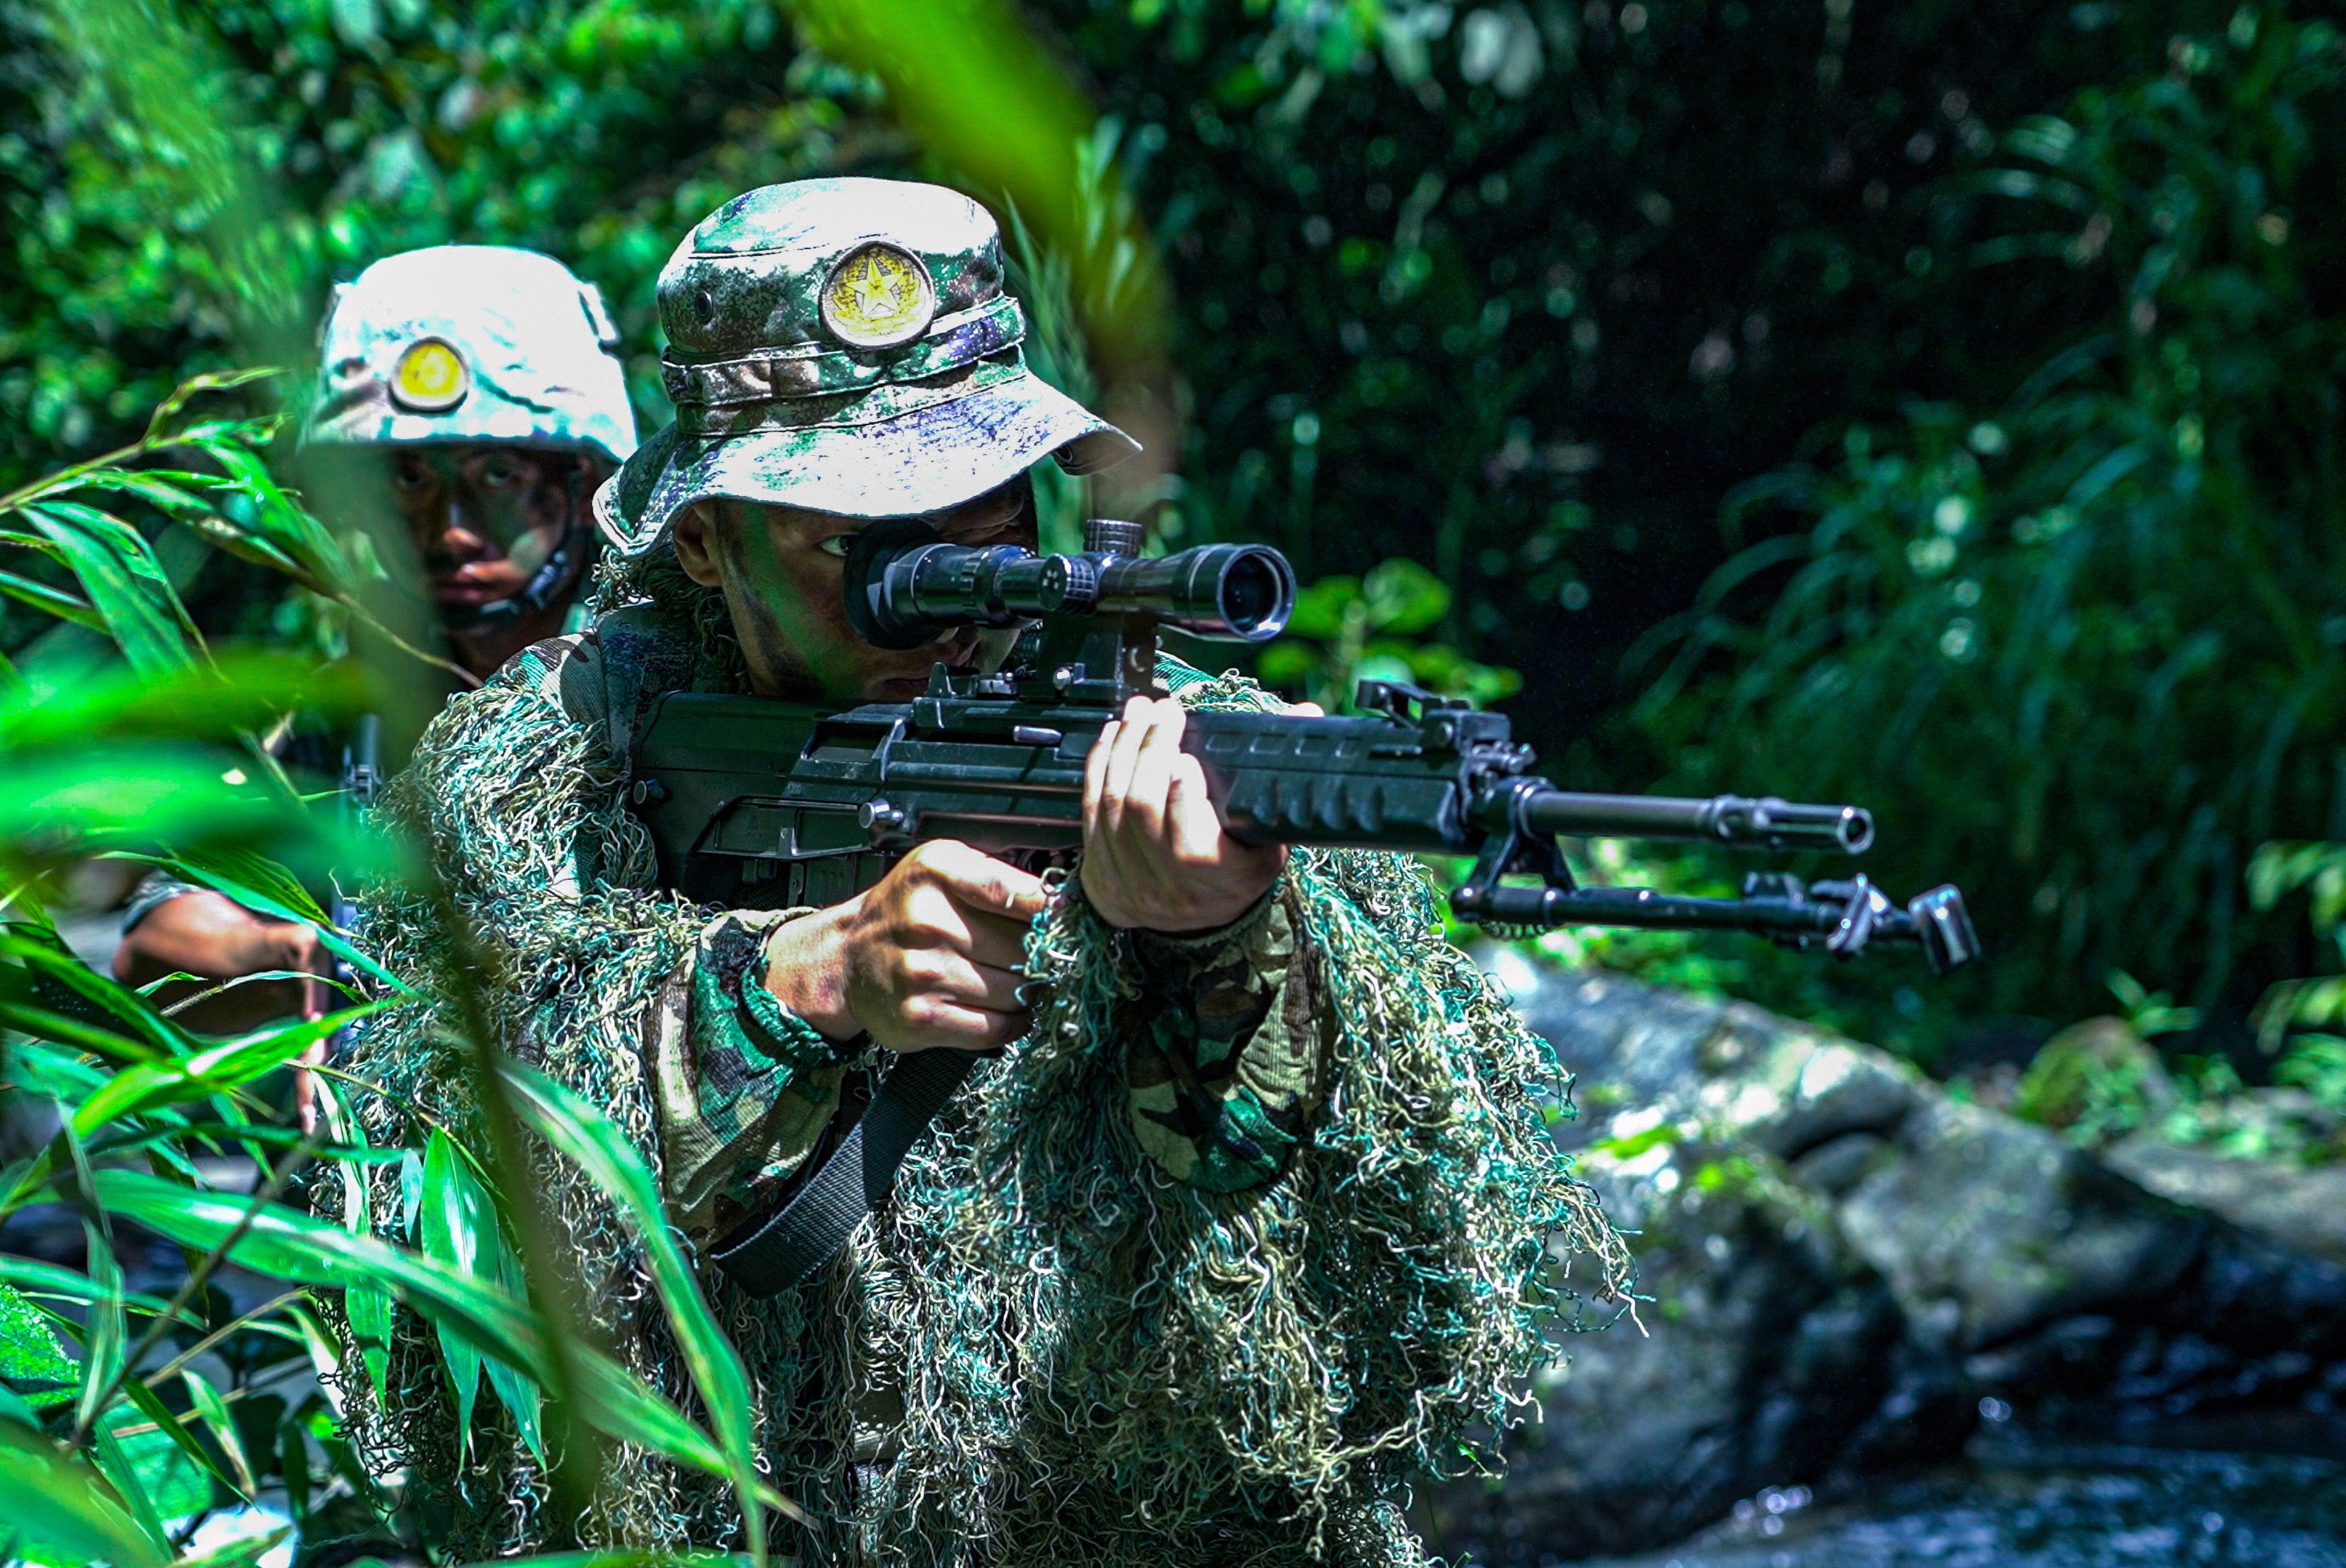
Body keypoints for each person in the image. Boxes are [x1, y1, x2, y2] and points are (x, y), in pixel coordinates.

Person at [342, 179, 1619, 1566]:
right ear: (704, 540)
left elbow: (1350, 1303)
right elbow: (453, 1213)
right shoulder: (546, 764)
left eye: (988, 504)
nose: (952, 581)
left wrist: (1211, 944)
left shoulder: (1162, 743)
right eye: (863, 544)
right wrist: (784, 988)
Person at [113, 246, 637, 1063]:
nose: (449, 529)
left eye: (498, 475)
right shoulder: (350, 709)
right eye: (405, 482)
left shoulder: (663, 681)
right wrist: (291, 959)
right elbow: (152, 955)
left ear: (584, 479)